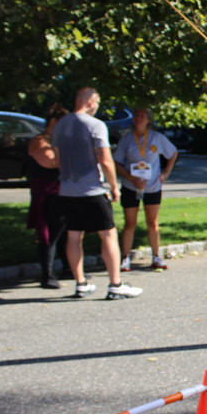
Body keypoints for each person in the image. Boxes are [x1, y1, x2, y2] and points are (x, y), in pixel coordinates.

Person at [52, 87, 142, 300]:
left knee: (74, 235)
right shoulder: (95, 125)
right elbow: (105, 158)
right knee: (108, 234)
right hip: (91, 189)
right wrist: (114, 186)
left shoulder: (60, 125)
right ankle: (115, 284)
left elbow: (57, 158)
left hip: (67, 190)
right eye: (97, 104)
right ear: (91, 102)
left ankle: (81, 284)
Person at [113, 108, 178, 271]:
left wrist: (165, 173)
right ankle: (125, 257)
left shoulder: (157, 138)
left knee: (152, 222)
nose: (138, 118)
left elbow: (173, 153)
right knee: (130, 223)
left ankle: (156, 256)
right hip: (130, 186)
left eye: (142, 116)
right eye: (136, 115)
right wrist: (131, 178)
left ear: (149, 120)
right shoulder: (127, 139)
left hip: (152, 186)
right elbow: (117, 162)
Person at [26, 104, 67, 289]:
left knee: (66, 232)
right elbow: (51, 162)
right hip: (46, 193)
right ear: (53, 122)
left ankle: (68, 267)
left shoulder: (58, 141)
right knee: (49, 234)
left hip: (63, 191)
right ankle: (47, 275)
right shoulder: (39, 141)